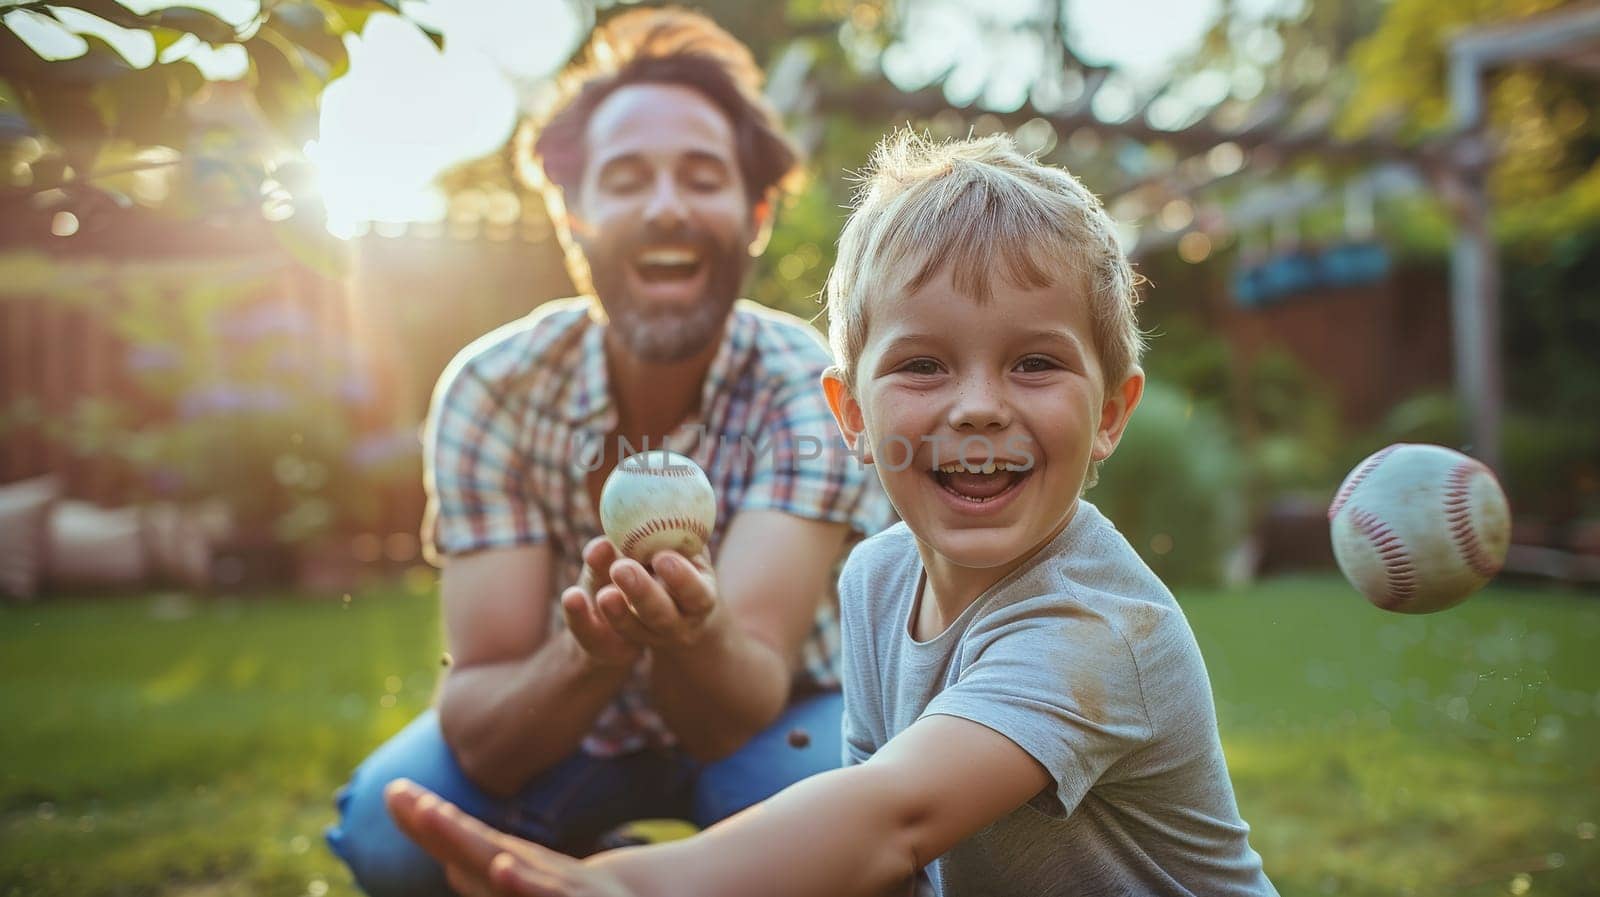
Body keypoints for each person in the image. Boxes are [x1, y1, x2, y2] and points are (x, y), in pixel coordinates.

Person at [379, 130, 1280, 897]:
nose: (977, 406)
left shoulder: (1098, 627)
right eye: (922, 366)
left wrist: (624, 884)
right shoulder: (878, 577)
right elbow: (887, 867)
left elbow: (892, 818)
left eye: (1034, 363)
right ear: (849, 415)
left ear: (1112, 413)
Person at [324, 9, 895, 896]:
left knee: (848, 832)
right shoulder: (495, 388)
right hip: (572, 724)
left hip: (776, 716)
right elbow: (480, 727)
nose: (665, 205)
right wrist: (591, 648)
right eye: (625, 179)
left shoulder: (805, 388)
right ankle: (611, 849)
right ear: (573, 213)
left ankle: (640, 872)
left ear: (754, 214)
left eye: (702, 177)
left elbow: (733, 705)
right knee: (393, 839)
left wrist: (691, 628)